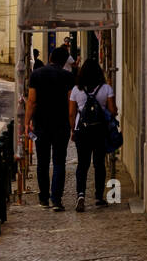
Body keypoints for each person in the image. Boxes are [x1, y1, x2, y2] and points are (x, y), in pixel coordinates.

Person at [25, 45, 76, 211]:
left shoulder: (37, 74)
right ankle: (56, 200)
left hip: (41, 124)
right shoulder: (68, 76)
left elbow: (31, 101)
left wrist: (27, 123)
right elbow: (71, 104)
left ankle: (44, 198)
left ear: (50, 58)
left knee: (43, 163)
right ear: (63, 62)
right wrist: (72, 126)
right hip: (61, 125)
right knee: (59, 162)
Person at [68, 59, 116, 213]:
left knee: (82, 164)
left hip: (82, 130)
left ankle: (81, 194)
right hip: (100, 130)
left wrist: (72, 130)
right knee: (99, 163)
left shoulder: (76, 89)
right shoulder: (106, 88)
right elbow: (112, 110)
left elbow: (71, 113)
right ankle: (98, 197)